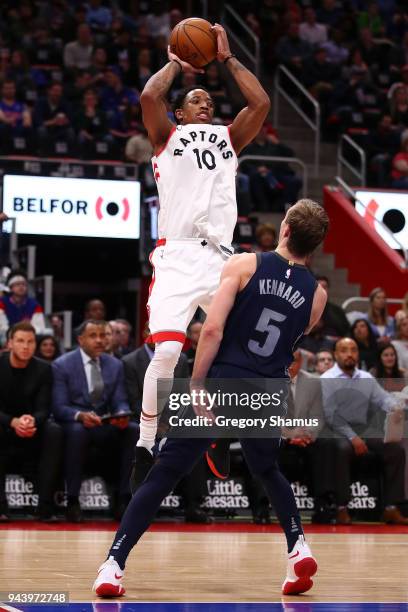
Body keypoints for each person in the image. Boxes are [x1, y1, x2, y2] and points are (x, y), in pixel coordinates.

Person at [93, 198, 329, 597]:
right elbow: (288, 344)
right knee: (268, 471)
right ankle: (297, 546)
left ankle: (113, 564)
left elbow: (214, 330)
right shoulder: (317, 296)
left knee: (164, 472)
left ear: (285, 229)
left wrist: (198, 383)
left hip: (224, 383)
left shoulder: (243, 264)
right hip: (267, 390)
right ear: (315, 244)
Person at [130, 23, 271, 487]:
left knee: (241, 351)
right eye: (195, 99)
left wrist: (227, 59)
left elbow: (261, 104)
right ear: (179, 112)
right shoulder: (166, 137)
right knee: (168, 350)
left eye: (209, 100)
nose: (205, 103)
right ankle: (146, 443)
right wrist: (177, 62)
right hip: (176, 255)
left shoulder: (229, 138)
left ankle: (219, 434)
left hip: (221, 260)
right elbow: (150, 98)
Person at [52, 320, 139, 522]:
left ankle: (123, 499)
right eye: (93, 336)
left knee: (133, 430)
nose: (100, 340)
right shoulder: (62, 364)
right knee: (77, 432)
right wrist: (80, 416)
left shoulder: (115, 365)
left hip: (103, 422)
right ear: (80, 339)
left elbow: (120, 401)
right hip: (76, 423)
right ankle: (72, 500)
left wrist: (122, 414)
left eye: (103, 335)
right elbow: (58, 406)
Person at [123, 324, 210, 524]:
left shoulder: (179, 360)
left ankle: (194, 504)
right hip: (141, 420)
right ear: (147, 334)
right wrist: (153, 422)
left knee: (192, 434)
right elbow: (133, 399)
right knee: (133, 434)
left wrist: (170, 422)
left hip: (171, 420)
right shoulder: (129, 361)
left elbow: (181, 395)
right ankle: (130, 501)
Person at [321, 338, 407, 525]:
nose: (349, 354)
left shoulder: (366, 378)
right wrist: (353, 437)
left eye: (353, 350)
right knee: (342, 449)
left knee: (397, 449)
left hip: (364, 429)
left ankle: (391, 508)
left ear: (358, 354)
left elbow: (383, 399)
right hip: (338, 431)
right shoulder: (327, 378)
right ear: (336, 355)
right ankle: (342, 507)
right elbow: (330, 415)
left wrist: (397, 407)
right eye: (344, 350)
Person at [0, 322, 63, 522]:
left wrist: (30, 420)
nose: (26, 346)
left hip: (31, 426)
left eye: (30, 342)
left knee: (54, 431)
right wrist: (13, 422)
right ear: (9, 343)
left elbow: (44, 407)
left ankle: (45, 507)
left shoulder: (44, 369)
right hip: (4, 425)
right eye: (20, 341)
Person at [0, 271, 46, 342]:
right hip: (6, 338)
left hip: (27, 338)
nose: (21, 287)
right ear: (11, 288)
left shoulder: (34, 304)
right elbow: (2, 326)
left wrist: (27, 328)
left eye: (24, 284)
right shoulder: (2, 302)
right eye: (17, 284)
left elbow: (40, 327)